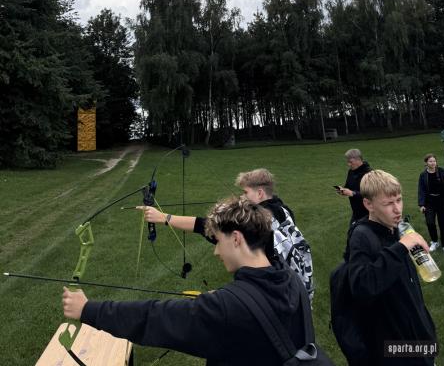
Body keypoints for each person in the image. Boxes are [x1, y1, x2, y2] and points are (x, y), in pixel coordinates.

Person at [62, 197, 314, 366]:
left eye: (218, 241)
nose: (216, 251)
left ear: (237, 239)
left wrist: (87, 309)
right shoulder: (291, 281)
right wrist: (233, 298)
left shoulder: (227, 309)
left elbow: (154, 318)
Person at [142, 168, 314, 299]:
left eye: (245, 193)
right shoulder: (283, 210)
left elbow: (207, 226)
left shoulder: (263, 219)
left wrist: (164, 217)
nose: (242, 197)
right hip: (295, 288)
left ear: (260, 193)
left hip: (283, 294)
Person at [347, 170, 437, 366]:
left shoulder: (396, 229)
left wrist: (428, 330)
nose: (397, 209)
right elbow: (362, 286)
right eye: (388, 204)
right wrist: (401, 247)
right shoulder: (362, 236)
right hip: (394, 344)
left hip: (419, 334)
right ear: (368, 204)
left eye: (399, 200)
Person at [418, 153, 444, 253]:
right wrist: (422, 204)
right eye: (430, 161)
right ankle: (435, 241)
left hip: (442, 201)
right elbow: (421, 190)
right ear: (426, 163)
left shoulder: (442, 171)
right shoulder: (423, 175)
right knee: (430, 222)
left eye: (434, 161)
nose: (433, 163)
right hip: (429, 202)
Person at [336, 148, 371, 226]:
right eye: (347, 162)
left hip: (368, 212)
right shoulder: (351, 172)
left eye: (350, 162)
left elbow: (370, 194)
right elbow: (348, 186)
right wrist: (343, 190)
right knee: (352, 231)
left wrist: (353, 193)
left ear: (358, 160)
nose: (348, 164)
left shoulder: (369, 174)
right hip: (356, 212)